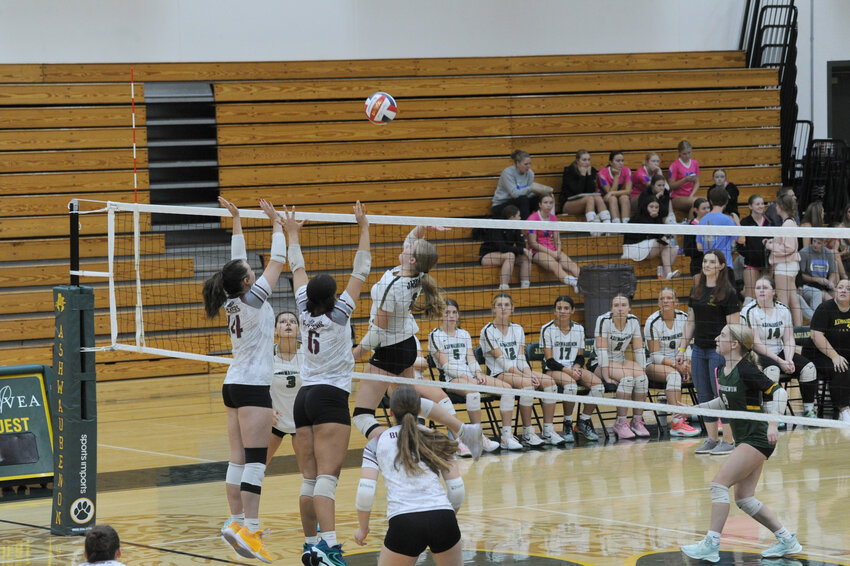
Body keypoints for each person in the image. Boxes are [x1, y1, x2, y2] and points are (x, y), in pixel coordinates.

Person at [283, 201, 370, 566]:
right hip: (330, 398)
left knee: (308, 478)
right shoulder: (339, 316)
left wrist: (291, 234)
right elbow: (361, 268)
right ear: (333, 298)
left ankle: (311, 545)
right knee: (327, 479)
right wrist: (363, 227)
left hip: (302, 398)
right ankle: (330, 548)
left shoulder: (303, 309)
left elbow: (297, 267)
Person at [352, 225, 485, 455]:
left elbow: (377, 334)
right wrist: (424, 227)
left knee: (362, 415)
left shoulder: (392, 286)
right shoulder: (415, 272)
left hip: (390, 350)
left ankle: (402, 447)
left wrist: (351, 356)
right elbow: (411, 238)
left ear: (412, 259)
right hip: (406, 345)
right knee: (407, 405)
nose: (406, 246)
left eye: (410, 248)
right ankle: (463, 430)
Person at [204, 197, 286, 563]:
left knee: (237, 459)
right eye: (251, 271)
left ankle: (235, 522)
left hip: (233, 383)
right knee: (254, 461)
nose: (255, 271)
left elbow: (233, 265)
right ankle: (249, 530)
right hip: (252, 385)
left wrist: (237, 221)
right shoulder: (254, 298)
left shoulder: (230, 297)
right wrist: (277, 225)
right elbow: (278, 261)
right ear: (248, 281)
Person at [680, 324, 799, 563]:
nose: (716, 337)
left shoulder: (747, 369)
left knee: (718, 485)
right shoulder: (724, 369)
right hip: (747, 438)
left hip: (758, 437)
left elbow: (779, 394)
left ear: (734, 344)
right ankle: (787, 539)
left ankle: (711, 544)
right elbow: (724, 403)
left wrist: (773, 424)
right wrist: (692, 410)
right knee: (744, 498)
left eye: (722, 335)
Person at [353, 386, 464, 566]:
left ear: (390, 412)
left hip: (404, 522)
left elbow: (365, 492)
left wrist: (363, 529)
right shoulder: (437, 437)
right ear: (420, 410)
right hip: (443, 517)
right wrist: (447, 518)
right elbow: (457, 490)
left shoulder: (377, 442)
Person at [677, 250, 740, 455]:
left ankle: (729, 441)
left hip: (718, 352)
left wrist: (728, 351)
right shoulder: (697, 290)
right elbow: (690, 322)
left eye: (712, 262)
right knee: (704, 395)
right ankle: (712, 439)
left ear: (721, 266)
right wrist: (682, 348)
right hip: (698, 351)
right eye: (705, 261)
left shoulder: (728, 293)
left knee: (722, 397)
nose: (707, 265)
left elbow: (734, 327)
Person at [428, 298, 512, 451]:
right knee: (473, 393)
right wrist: (466, 377)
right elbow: (446, 366)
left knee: (507, 389)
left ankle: (506, 436)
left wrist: (478, 373)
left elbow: (471, 358)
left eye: (454, 312)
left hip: (469, 376)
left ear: (458, 315)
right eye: (447, 312)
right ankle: (477, 438)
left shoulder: (464, 334)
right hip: (451, 379)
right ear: (441, 314)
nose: (451, 316)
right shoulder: (435, 335)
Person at [480, 293, 564, 446]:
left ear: (512, 308)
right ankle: (527, 432)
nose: (503, 308)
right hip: (499, 374)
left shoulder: (518, 329)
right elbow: (502, 362)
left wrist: (529, 372)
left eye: (507, 305)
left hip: (518, 372)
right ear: (493, 309)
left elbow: (520, 358)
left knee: (550, 382)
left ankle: (548, 430)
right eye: (499, 305)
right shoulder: (487, 331)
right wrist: (525, 377)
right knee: (528, 385)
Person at [742, 276, 819, 419]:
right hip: (755, 355)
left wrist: (789, 359)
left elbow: (789, 338)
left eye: (765, 288)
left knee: (809, 368)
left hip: (780, 351)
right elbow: (755, 343)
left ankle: (809, 410)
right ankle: (772, 414)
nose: (761, 291)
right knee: (772, 369)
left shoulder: (782, 309)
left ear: (773, 291)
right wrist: (780, 361)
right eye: (758, 288)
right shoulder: (749, 311)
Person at [540, 295, 604, 442]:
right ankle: (567, 422)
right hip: (553, 369)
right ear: (554, 311)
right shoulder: (547, 329)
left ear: (572, 310)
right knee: (571, 386)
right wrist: (570, 371)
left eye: (566, 308)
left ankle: (583, 421)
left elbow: (580, 356)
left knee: (599, 387)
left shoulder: (579, 329)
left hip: (572, 368)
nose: (562, 311)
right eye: (559, 308)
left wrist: (576, 367)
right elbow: (549, 360)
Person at [644, 288, 700, 437]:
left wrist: (687, 362)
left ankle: (707, 414)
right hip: (655, 365)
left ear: (676, 302)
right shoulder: (652, 322)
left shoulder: (683, 317)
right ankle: (677, 423)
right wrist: (677, 365)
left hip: (681, 362)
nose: (666, 301)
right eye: (662, 299)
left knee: (703, 369)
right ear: (658, 303)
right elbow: (654, 356)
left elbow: (690, 344)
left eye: (669, 298)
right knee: (674, 375)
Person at [594, 294, 651, 439]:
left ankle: (637, 421)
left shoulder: (633, 321)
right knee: (627, 379)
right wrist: (606, 375)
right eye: (616, 306)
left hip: (620, 361)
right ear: (611, 308)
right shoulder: (603, 320)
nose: (620, 309)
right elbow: (601, 352)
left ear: (629, 308)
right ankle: (621, 422)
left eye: (624, 305)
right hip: (600, 363)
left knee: (642, 379)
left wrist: (642, 370)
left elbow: (638, 350)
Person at [803, 278, 850, 422]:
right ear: (835, 290)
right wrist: (834, 356)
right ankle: (844, 411)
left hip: (842, 351)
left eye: (848, 288)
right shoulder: (825, 308)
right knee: (841, 367)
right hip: (818, 354)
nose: (843, 290)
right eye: (840, 287)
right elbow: (816, 335)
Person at [527, 194, 580, 292]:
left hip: (552, 249)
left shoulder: (553, 218)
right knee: (556, 265)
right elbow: (533, 243)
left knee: (571, 265)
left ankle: (586, 282)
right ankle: (574, 282)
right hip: (537, 252)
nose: (549, 205)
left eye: (551, 203)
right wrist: (552, 253)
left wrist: (558, 251)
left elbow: (557, 240)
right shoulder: (533, 218)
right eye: (545, 203)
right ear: (540, 204)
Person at [268, 311, 302, 462]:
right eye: (282, 322)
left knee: (309, 471)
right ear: (275, 330)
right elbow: (257, 387)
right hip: (274, 421)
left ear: (299, 330)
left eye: (293, 322)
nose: (288, 324)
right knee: (258, 466)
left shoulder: (307, 354)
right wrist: (266, 408)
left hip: (302, 422)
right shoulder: (267, 355)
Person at [765, 191, 802, 326]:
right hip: (791, 266)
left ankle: (786, 332)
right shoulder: (791, 222)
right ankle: (799, 330)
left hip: (785, 267)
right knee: (793, 300)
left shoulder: (787, 224)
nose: (775, 207)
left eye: (777, 205)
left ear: (781, 207)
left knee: (782, 302)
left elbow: (789, 247)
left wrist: (770, 246)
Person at [621, 195, 679, 279]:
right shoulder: (638, 218)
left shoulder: (658, 218)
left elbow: (659, 235)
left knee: (674, 248)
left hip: (648, 245)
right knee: (664, 244)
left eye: (656, 207)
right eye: (651, 207)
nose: (654, 209)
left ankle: (665, 275)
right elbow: (651, 235)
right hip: (633, 247)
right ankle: (668, 273)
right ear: (645, 207)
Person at [478, 204, 531, 290]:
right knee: (510, 256)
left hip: (503, 255)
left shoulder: (516, 228)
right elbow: (502, 248)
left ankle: (525, 287)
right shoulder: (497, 226)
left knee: (525, 256)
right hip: (487, 256)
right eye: (519, 216)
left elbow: (522, 246)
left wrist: (523, 250)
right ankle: (503, 287)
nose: (520, 218)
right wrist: (522, 249)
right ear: (512, 217)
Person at [492, 149, 553, 219]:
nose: (528, 166)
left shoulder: (530, 173)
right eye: (526, 164)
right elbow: (514, 194)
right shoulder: (508, 173)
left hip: (520, 203)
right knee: (523, 199)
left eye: (530, 164)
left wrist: (539, 192)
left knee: (538, 199)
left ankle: (542, 222)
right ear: (517, 163)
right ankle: (525, 226)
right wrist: (531, 188)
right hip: (502, 204)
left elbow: (528, 194)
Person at [736, 194, 772, 303]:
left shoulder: (769, 223)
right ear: (750, 206)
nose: (761, 206)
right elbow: (739, 246)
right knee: (750, 297)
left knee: (766, 297)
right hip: (751, 265)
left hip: (767, 265)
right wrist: (749, 255)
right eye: (758, 204)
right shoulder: (745, 222)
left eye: (762, 204)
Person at [560, 149, 609, 225]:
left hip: (587, 200)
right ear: (577, 161)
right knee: (589, 199)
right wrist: (582, 176)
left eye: (588, 160)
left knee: (598, 198)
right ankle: (593, 228)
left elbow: (591, 191)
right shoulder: (569, 171)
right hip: (568, 203)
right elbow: (577, 191)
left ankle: (607, 225)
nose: (587, 163)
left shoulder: (591, 170)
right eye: (584, 160)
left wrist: (589, 176)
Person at [798, 237, 839, 321]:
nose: (815, 245)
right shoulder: (804, 252)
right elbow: (800, 276)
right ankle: (829, 321)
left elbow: (833, 272)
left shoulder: (828, 253)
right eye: (814, 241)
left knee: (841, 296)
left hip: (824, 284)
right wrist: (817, 279)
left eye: (819, 243)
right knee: (831, 300)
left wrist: (830, 282)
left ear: (824, 243)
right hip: (809, 284)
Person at [696, 186, 737, 268]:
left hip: (708, 266)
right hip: (724, 265)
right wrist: (737, 222)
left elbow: (699, 247)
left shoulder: (702, 220)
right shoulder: (727, 220)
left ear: (711, 202)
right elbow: (738, 241)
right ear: (726, 202)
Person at [596, 150, 632, 223]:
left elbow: (628, 191)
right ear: (611, 162)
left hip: (618, 197)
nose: (621, 163)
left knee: (624, 197)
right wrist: (616, 176)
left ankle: (626, 225)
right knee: (613, 199)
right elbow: (609, 193)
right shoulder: (602, 173)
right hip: (604, 200)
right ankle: (616, 225)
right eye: (618, 161)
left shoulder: (627, 170)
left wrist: (612, 192)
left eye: (622, 161)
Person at [669, 140, 700, 215]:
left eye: (689, 153)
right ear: (679, 153)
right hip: (676, 197)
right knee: (696, 203)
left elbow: (697, 182)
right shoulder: (675, 165)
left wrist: (692, 195)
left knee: (703, 203)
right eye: (684, 154)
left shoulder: (694, 163)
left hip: (689, 195)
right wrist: (685, 180)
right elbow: (671, 185)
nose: (687, 156)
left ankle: (691, 223)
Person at [683, 197, 710, 276]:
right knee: (699, 288)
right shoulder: (691, 227)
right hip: (698, 265)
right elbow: (688, 250)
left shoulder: (712, 224)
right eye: (704, 208)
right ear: (696, 210)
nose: (707, 211)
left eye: (708, 208)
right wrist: (702, 249)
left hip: (711, 263)